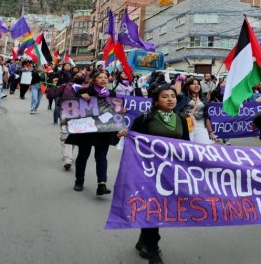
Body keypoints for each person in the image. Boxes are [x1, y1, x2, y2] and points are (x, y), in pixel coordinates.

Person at [128, 84, 190, 264]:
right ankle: (154, 249)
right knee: (153, 207)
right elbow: (133, 145)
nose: (171, 99)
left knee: (161, 207)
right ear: (156, 101)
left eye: (173, 96)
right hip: (148, 171)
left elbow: (185, 145)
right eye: (165, 96)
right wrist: (126, 134)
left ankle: (143, 239)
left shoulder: (181, 120)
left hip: (170, 172)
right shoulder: (145, 119)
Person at [65, 71, 123, 195]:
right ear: (94, 80)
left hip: (104, 130)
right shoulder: (86, 91)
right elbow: (71, 105)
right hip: (87, 129)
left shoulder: (111, 94)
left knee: (101, 157)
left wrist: (121, 110)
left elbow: (115, 112)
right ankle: (79, 181)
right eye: (100, 78)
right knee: (83, 155)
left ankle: (101, 184)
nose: (103, 79)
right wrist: (82, 98)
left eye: (105, 77)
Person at [46, 72, 86, 170]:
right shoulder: (65, 86)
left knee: (74, 135)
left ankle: (68, 153)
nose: (79, 76)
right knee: (65, 134)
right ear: (73, 77)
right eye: (77, 75)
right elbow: (51, 94)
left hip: (81, 115)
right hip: (66, 112)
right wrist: (51, 85)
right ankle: (67, 159)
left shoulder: (87, 88)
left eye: (81, 75)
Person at [174, 77, 216, 144]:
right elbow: (176, 94)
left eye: (198, 84)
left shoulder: (203, 98)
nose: (196, 85)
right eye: (193, 84)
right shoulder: (182, 97)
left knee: (203, 148)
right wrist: (180, 79)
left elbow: (206, 116)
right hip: (186, 127)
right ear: (188, 86)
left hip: (201, 127)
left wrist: (210, 132)